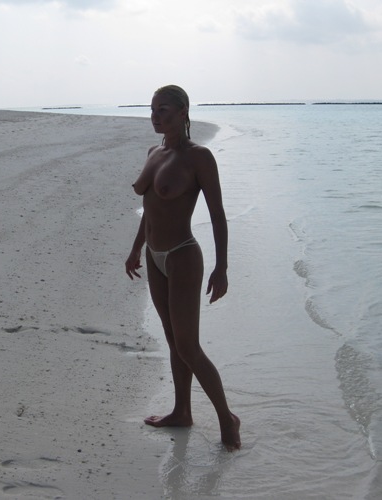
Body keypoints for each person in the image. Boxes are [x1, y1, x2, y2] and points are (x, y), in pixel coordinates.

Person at [125, 85, 241, 451]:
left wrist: (222, 268)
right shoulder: (153, 152)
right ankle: (182, 411)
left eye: (164, 110)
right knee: (173, 340)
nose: (156, 116)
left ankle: (227, 418)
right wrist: (136, 248)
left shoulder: (199, 157)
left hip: (182, 257)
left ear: (183, 112)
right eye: (153, 109)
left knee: (188, 345)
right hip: (154, 257)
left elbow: (218, 215)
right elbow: (150, 209)